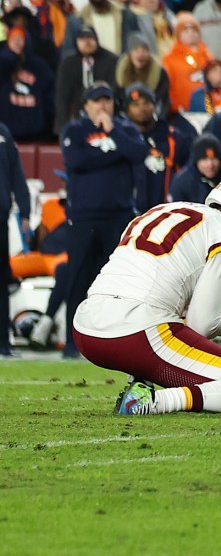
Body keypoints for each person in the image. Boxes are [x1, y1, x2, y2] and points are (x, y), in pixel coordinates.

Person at [74, 169, 221, 417]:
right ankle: (153, 401)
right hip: (137, 331)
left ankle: (141, 385)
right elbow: (199, 325)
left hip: (86, 328)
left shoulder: (163, 211)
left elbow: (168, 305)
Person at [57, 83, 150, 359]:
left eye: (106, 101)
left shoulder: (125, 129)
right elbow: (75, 161)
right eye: (96, 101)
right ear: (85, 105)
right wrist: (112, 155)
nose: (102, 106)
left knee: (119, 283)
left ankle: (117, 341)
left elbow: (138, 153)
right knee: (78, 279)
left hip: (118, 216)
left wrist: (112, 131)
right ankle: (72, 342)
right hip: (83, 217)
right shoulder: (74, 130)